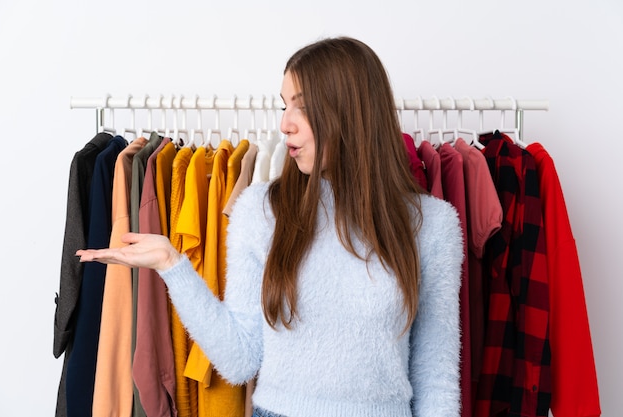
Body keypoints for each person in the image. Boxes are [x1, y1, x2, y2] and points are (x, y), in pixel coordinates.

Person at [77, 36, 463, 417]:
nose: (284, 124)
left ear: (352, 111)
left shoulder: (431, 227)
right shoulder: (261, 212)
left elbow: (435, 379)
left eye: (303, 107)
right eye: (283, 106)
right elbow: (240, 360)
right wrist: (172, 266)